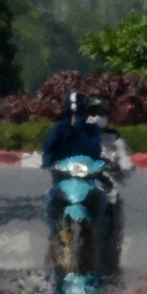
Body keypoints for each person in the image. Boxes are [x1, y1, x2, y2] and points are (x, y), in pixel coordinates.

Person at [42, 92, 102, 254]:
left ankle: (101, 237)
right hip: (63, 178)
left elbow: (97, 153)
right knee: (50, 199)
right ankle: (53, 237)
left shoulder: (92, 131)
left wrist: (101, 165)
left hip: (88, 179)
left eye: (79, 114)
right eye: (72, 114)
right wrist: (49, 164)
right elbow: (48, 151)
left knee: (105, 199)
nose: (76, 118)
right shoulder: (58, 130)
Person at [85, 97, 135, 276]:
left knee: (113, 213)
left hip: (107, 186)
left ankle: (111, 266)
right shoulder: (78, 136)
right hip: (82, 185)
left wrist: (122, 166)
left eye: (100, 113)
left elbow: (125, 159)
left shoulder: (114, 138)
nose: (96, 117)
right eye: (92, 113)